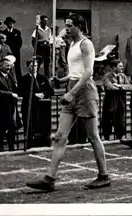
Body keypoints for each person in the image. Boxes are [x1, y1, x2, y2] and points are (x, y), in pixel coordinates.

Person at [26, 13, 110, 191]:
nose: (66, 28)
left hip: (85, 91)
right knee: (59, 137)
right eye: (66, 25)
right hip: (73, 87)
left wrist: (71, 92)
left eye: (70, 25)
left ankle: (104, 176)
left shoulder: (86, 44)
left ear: (79, 26)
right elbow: (76, 72)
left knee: (93, 137)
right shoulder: (71, 44)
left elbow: (88, 72)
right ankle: (49, 179)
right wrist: (62, 80)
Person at [19, 59, 54, 148]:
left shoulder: (42, 77)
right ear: (28, 67)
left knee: (42, 127)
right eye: (31, 66)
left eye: (35, 66)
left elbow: (50, 90)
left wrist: (43, 94)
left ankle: (42, 143)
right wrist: (35, 95)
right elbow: (22, 92)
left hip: (42, 107)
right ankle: (29, 144)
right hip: (29, 107)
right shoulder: (23, 79)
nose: (34, 68)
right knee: (29, 127)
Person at [0, 57, 22, 152]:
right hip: (1, 108)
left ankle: (11, 148)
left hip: (11, 107)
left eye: (10, 66)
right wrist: (11, 94)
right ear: (1, 65)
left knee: (12, 129)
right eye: (7, 65)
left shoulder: (10, 76)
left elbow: (15, 89)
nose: (9, 67)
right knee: (0, 130)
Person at [102, 60, 132, 141]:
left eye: (122, 66)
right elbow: (110, 87)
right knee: (107, 123)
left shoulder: (123, 76)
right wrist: (122, 88)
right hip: (110, 103)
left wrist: (119, 86)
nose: (122, 68)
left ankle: (120, 139)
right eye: (120, 66)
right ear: (114, 67)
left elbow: (130, 86)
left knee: (120, 123)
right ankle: (106, 140)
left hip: (120, 103)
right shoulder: (107, 76)